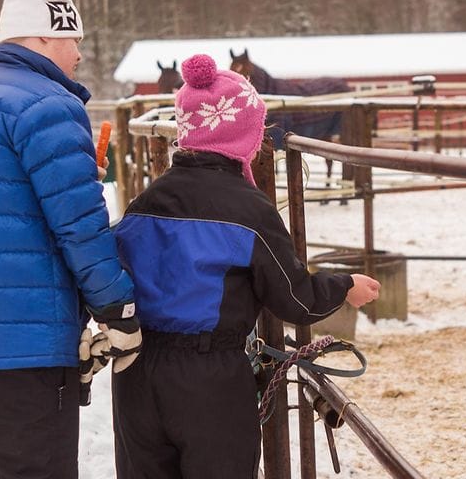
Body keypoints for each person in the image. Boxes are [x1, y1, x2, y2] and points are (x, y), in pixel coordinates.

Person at [111, 54, 381, 478]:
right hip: (209, 380)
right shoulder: (249, 210)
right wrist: (344, 285)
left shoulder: (143, 204)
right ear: (241, 135)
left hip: (136, 373)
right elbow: (295, 300)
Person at [0, 0, 142, 478]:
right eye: (74, 40)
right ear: (44, 38)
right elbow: (79, 223)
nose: (80, 55)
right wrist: (117, 308)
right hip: (26, 353)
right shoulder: (48, 106)